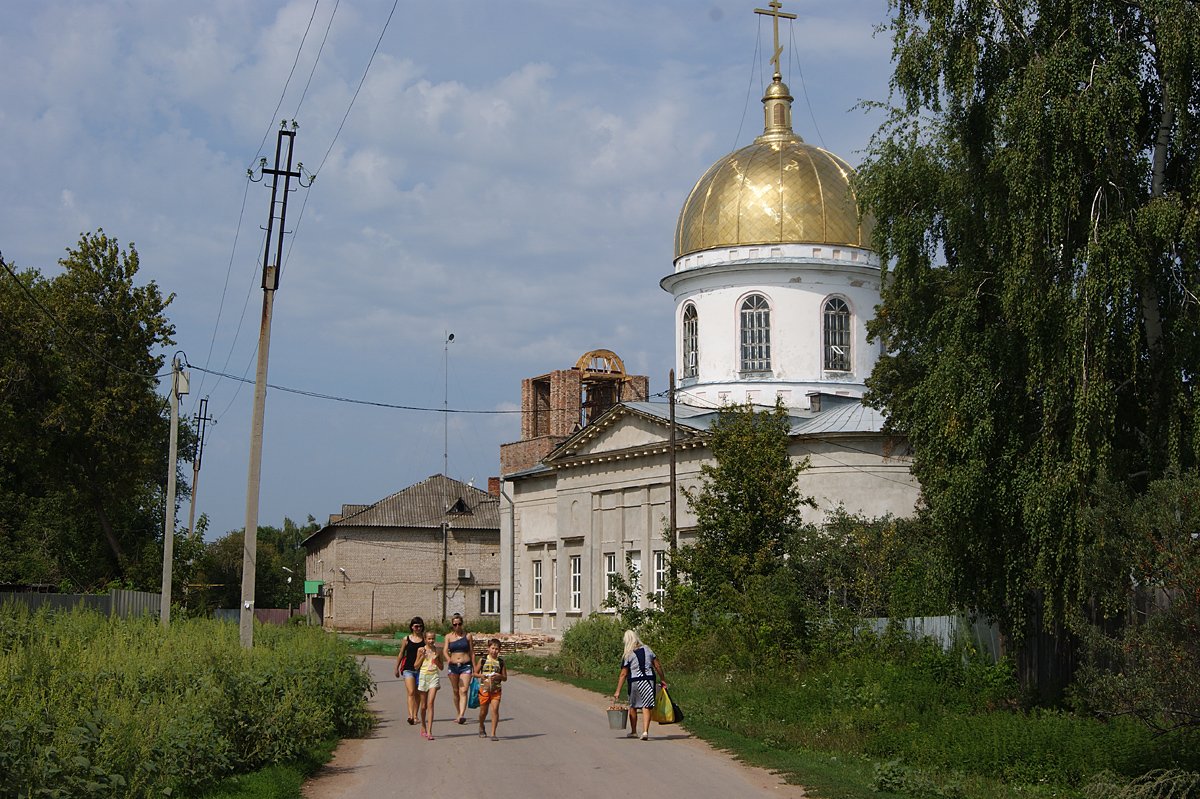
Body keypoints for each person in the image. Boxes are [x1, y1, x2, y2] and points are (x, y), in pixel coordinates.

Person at [613, 629, 665, 740]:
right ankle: (645, 731)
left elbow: (623, 674)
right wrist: (663, 679)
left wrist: (618, 690)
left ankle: (633, 731)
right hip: (649, 680)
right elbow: (657, 665)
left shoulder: (628, 654)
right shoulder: (647, 649)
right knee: (646, 706)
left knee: (633, 706)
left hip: (635, 681)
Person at [441, 612, 475, 724]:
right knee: (456, 691)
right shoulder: (448, 637)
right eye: (455, 624)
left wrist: (475, 667)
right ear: (452, 625)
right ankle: (458, 712)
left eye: (459, 624)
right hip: (453, 666)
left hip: (466, 665)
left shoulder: (468, 636)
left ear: (462, 624)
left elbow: (471, 652)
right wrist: (448, 659)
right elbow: (445, 650)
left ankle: (461, 715)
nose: (457, 626)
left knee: (464, 690)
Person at [393, 616, 425, 726]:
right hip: (408, 669)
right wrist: (396, 668)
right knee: (411, 692)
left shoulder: (425, 639)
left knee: (418, 693)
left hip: (421, 669)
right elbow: (401, 653)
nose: (418, 628)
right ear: (412, 627)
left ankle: (416, 715)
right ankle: (411, 716)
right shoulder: (406, 639)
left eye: (420, 626)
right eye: (416, 626)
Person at [476, 638, 507, 741]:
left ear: (499, 650)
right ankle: (481, 725)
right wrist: (482, 676)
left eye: (496, 649)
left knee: (495, 710)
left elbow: (505, 678)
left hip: (496, 690)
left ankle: (493, 733)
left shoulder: (501, 662)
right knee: (483, 712)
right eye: (492, 648)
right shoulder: (483, 660)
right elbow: (474, 673)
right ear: (488, 648)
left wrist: (499, 676)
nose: (494, 651)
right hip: (484, 689)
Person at [415, 630, 442, 740]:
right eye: (429, 639)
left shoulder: (437, 651)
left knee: (430, 703)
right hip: (423, 677)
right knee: (423, 706)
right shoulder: (421, 650)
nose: (431, 641)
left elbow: (442, 667)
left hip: (434, 677)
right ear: (425, 639)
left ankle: (430, 731)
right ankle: (423, 725)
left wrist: (436, 661)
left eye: (433, 638)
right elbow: (416, 666)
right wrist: (422, 656)